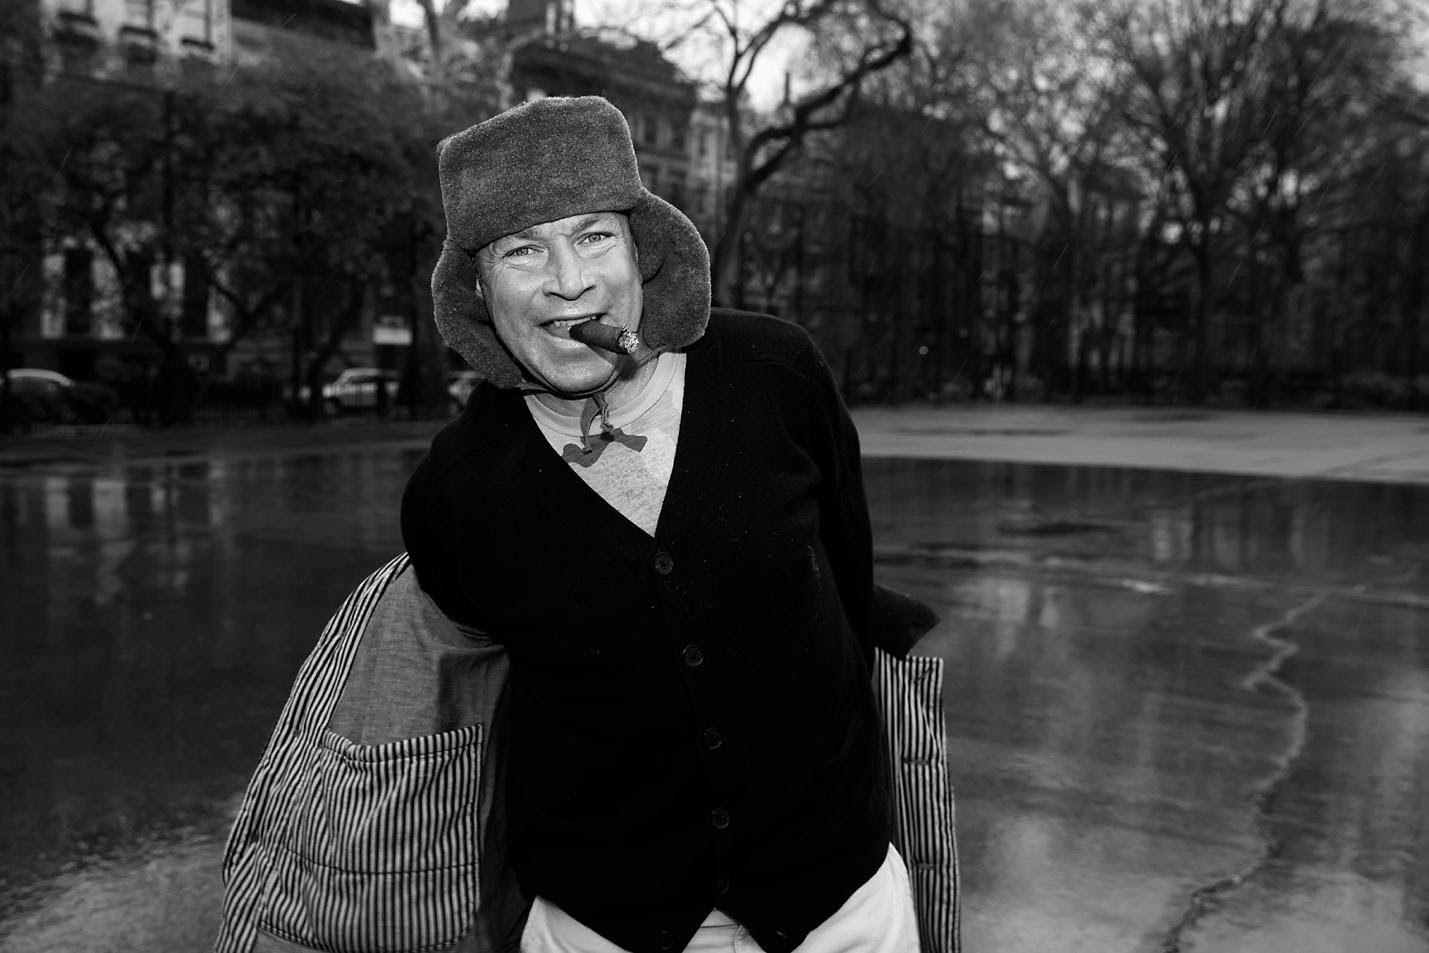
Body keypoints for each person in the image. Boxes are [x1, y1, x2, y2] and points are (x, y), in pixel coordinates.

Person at [214, 96, 957, 953]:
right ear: (478, 291)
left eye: (593, 235)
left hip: (844, 906)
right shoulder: (457, 489)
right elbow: (468, 699)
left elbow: (846, 559)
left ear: (642, 250)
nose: (568, 279)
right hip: (601, 927)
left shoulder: (775, 374)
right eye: (523, 250)